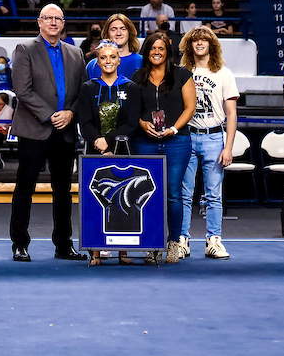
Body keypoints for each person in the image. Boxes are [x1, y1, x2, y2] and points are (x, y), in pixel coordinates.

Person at [9, 4, 88, 263]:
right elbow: (23, 90)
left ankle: (63, 245)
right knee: (25, 187)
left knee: (63, 190)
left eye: (58, 18)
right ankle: (20, 243)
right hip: (34, 129)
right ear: (39, 22)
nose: (53, 22)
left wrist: (71, 113)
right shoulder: (25, 50)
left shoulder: (76, 54)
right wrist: (51, 114)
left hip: (65, 131)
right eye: (48, 18)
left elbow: (82, 92)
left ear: (64, 24)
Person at [129, 31, 197, 264]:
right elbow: (131, 110)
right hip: (145, 141)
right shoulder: (136, 77)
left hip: (177, 142)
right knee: (147, 194)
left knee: (173, 194)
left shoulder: (182, 74)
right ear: (146, 52)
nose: (156, 52)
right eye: (152, 48)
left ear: (167, 51)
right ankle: (152, 244)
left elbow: (190, 107)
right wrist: (141, 122)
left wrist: (175, 129)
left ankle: (174, 243)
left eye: (161, 48)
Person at [76, 41, 142, 265]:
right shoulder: (88, 88)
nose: (108, 61)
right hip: (94, 151)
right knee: (96, 199)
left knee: (123, 199)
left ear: (118, 60)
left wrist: (110, 142)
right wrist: (97, 142)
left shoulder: (131, 88)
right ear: (97, 61)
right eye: (103, 57)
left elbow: (132, 123)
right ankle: (95, 252)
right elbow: (84, 122)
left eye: (112, 57)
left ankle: (124, 252)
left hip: (123, 151)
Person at [178, 27, 239, 261]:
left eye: (204, 40)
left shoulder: (224, 73)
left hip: (214, 136)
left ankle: (213, 240)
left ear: (211, 45)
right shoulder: (183, 72)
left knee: (214, 194)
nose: (200, 43)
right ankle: (182, 239)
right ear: (189, 45)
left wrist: (228, 147)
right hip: (187, 136)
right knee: (184, 192)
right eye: (195, 40)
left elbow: (232, 114)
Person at [84, 13, 144, 81]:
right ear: (107, 33)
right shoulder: (93, 66)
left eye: (123, 29)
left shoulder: (142, 62)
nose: (118, 33)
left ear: (129, 32)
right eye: (114, 29)